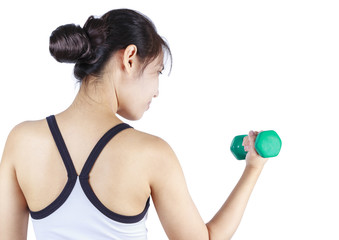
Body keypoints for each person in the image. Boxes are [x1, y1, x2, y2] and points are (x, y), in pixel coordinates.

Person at [0, 8, 268, 240]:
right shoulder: (151, 153)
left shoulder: (22, 141)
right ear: (129, 58)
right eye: (157, 72)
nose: (156, 91)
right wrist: (253, 168)